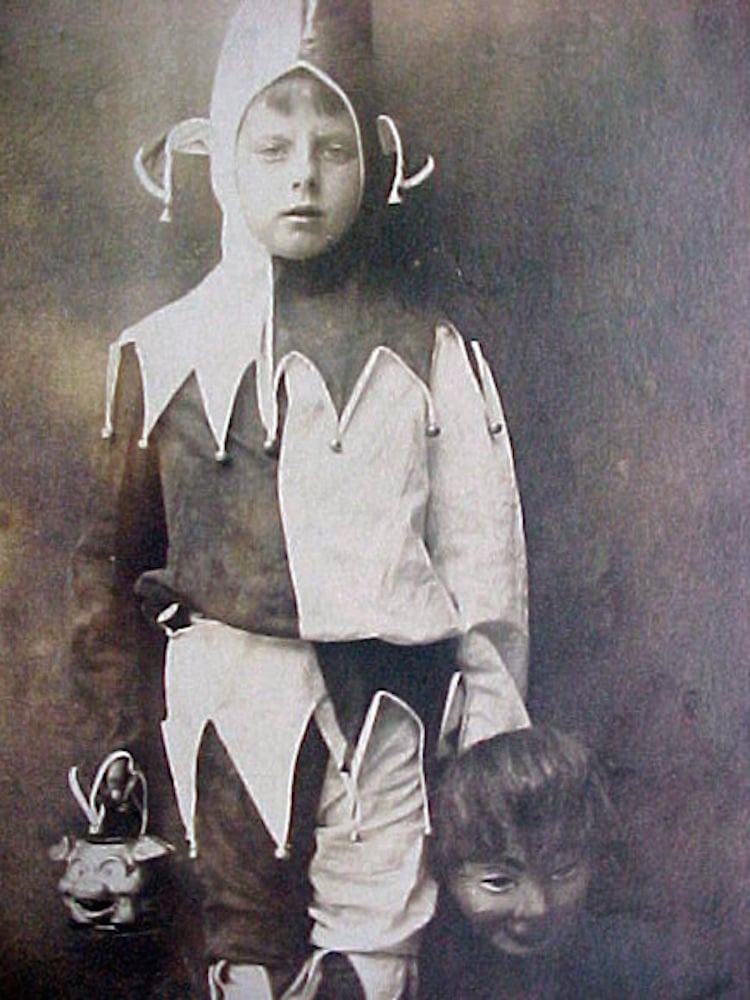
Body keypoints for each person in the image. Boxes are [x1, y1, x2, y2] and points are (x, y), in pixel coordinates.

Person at [68, 1, 529, 996]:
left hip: (393, 711)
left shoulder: (430, 353)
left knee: (379, 951)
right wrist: (115, 751)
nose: (304, 177)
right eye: (272, 147)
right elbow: (109, 569)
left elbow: (483, 558)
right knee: (246, 956)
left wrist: (492, 737)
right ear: (223, 156)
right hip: (229, 707)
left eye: (334, 146)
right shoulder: (160, 353)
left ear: (375, 158)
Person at [418, 724, 645, 999]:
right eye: (499, 882)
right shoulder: (415, 972)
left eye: (562, 872)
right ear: (443, 870)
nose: (538, 907)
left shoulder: (634, 965)